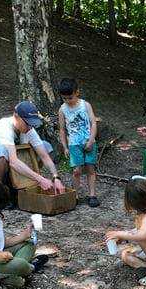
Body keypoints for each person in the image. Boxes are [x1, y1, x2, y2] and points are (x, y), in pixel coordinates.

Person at [0, 101, 65, 198]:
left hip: (12, 171)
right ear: (16, 116)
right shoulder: (4, 128)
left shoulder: (28, 129)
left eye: (32, 124)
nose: (30, 127)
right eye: (27, 123)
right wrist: (41, 179)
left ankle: (24, 184)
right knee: (2, 151)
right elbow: (13, 162)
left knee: (45, 146)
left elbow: (44, 156)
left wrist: (56, 177)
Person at [57, 78, 99, 207]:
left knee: (90, 168)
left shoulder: (85, 105)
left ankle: (92, 195)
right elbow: (62, 130)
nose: (68, 101)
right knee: (76, 170)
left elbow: (93, 123)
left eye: (70, 97)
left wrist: (91, 140)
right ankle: (75, 195)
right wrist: (65, 147)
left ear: (77, 93)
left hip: (88, 141)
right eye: (64, 98)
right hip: (74, 144)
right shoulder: (62, 110)